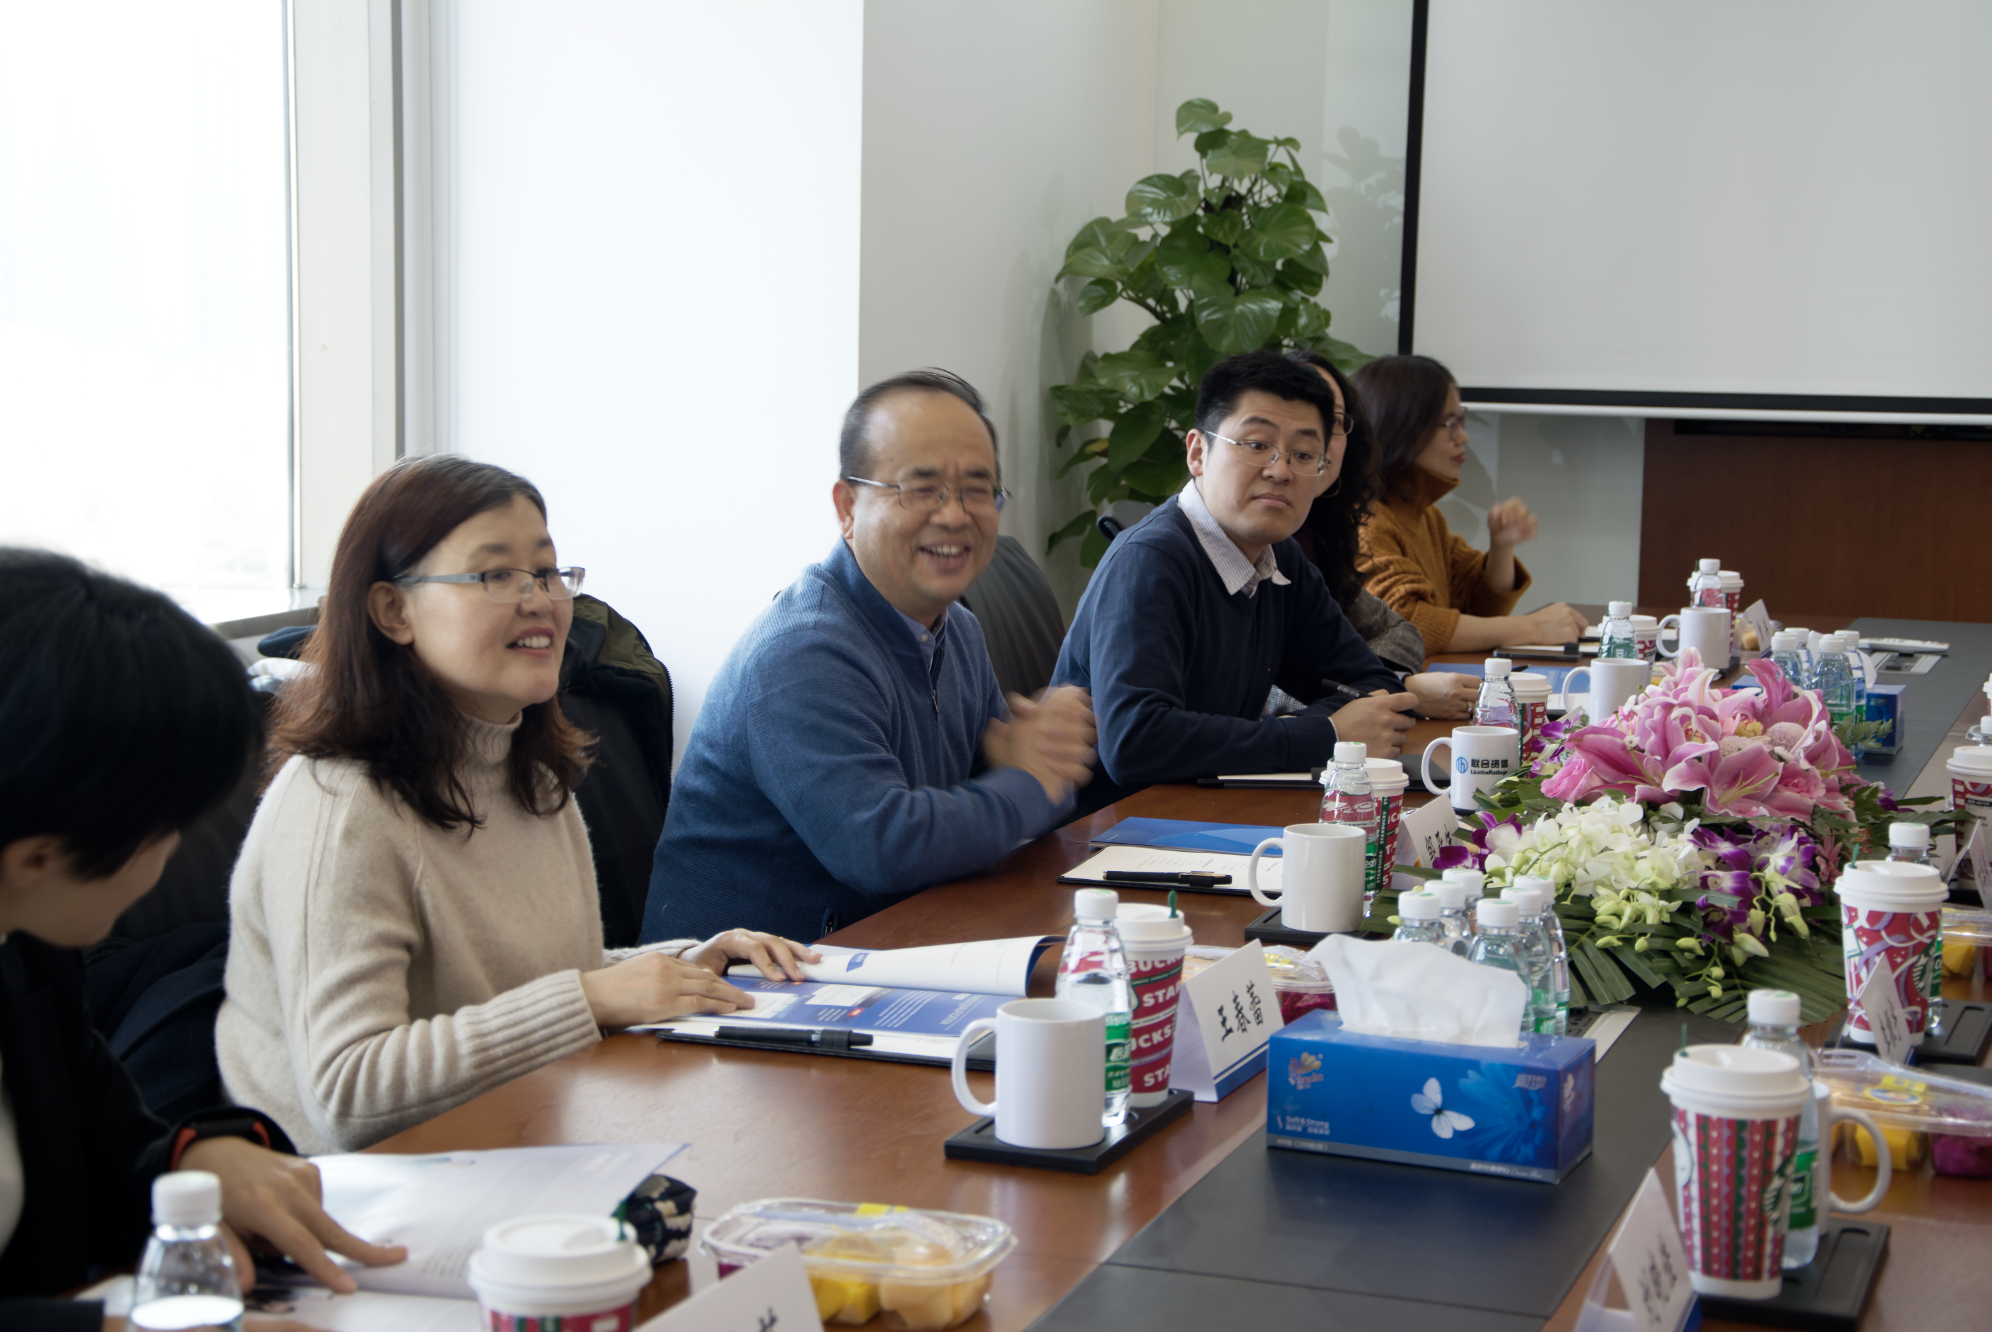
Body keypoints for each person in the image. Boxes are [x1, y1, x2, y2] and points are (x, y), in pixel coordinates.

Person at [217, 458, 816, 1154]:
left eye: (548, 572)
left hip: (517, 1137)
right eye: (496, 575)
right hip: (360, 1189)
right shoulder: (339, 803)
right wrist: (592, 999)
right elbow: (347, 1091)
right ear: (393, 611)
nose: (539, 599)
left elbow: (527, 982)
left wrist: (688, 963)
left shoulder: (527, 768)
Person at [0, 548, 406, 1328]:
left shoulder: (28, 950)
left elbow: (112, 1152)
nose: (178, 850)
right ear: (38, 857)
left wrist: (195, 1159)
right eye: (169, 827)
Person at [642, 370, 1097, 945]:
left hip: (889, 948)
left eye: (977, 490)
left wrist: (1043, 754)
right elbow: (883, 847)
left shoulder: (957, 629)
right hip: (743, 983)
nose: (955, 515)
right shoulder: (802, 651)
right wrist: (1033, 778)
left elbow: (995, 803)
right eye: (921, 489)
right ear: (847, 506)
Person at [1052, 351, 1416, 812]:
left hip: (1213, 812)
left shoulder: (1278, 557)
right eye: (1256, 445)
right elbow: (1135, 743)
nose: (1280, 470)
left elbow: (1374, 686)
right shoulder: (1151, 561)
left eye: (1304, 455)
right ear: (1197, 453)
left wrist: (1333, 728)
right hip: (1111, 832)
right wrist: (1327, 733)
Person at [1285, 349, 1479, 720]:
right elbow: (1254, 692)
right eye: (1450, 423)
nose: (1316, 439)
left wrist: (1374, 686)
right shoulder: (1257, 540)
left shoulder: (1323, 531)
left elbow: (1401, 630)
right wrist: (1395, 688)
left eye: (1334, 421)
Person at [1352, 354, 1588, 655]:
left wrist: (1501, 547)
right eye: (1451, 424)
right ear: (1402, 428)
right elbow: (1404, 626)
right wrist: (1533, 628)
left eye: (1460, 421)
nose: (1463, 436)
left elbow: (1481, 611)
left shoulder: (1426, 516)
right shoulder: (1367, 521)